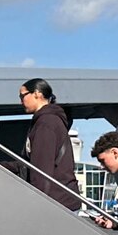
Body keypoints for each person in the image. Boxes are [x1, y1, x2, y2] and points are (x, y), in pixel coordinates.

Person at [19, 79, 76, 208]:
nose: (21, 101)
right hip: (62, 199)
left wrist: (38, 205)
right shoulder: (49, 121)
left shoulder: (46, 123)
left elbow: (41, 170)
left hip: (57, 203)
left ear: (37, 94)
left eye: (22, 96)